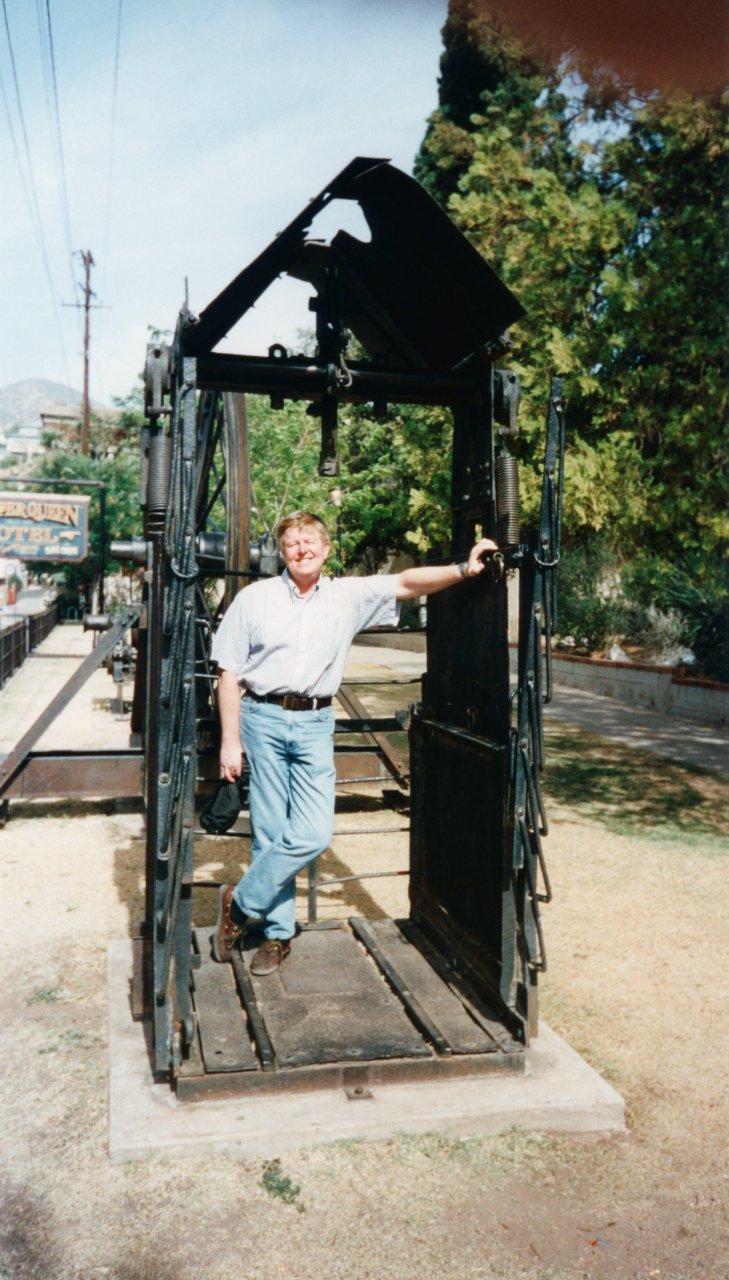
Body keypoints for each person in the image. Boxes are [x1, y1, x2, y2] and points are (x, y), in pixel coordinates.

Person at [210, 510, 497, 975]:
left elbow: (407, 582)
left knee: (312, 833)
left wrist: (464, 570)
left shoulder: (346, 596)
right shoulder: (254, 599)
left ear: (326, 550)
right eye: (291, 544)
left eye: (309, 542)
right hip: (259, 717)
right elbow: (228, 676)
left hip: (314, 722)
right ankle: (278, 935)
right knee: (268, 831)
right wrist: (230, 741)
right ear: (281, 553)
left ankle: (238, 906)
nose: (301, 550)